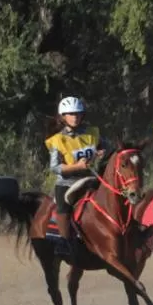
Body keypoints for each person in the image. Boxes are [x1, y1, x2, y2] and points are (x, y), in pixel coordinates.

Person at [45, 96, 108, 259]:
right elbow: (55, 167)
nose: (75, 117)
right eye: (71, 114)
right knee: (62, 207)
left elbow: (105, 147)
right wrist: (76, 167)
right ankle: (63, 242)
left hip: (91, 179)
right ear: (63, 117)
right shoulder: (57, 140)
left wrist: (102, 152)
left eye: (78, 114)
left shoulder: (92, 133)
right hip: (67, 183)